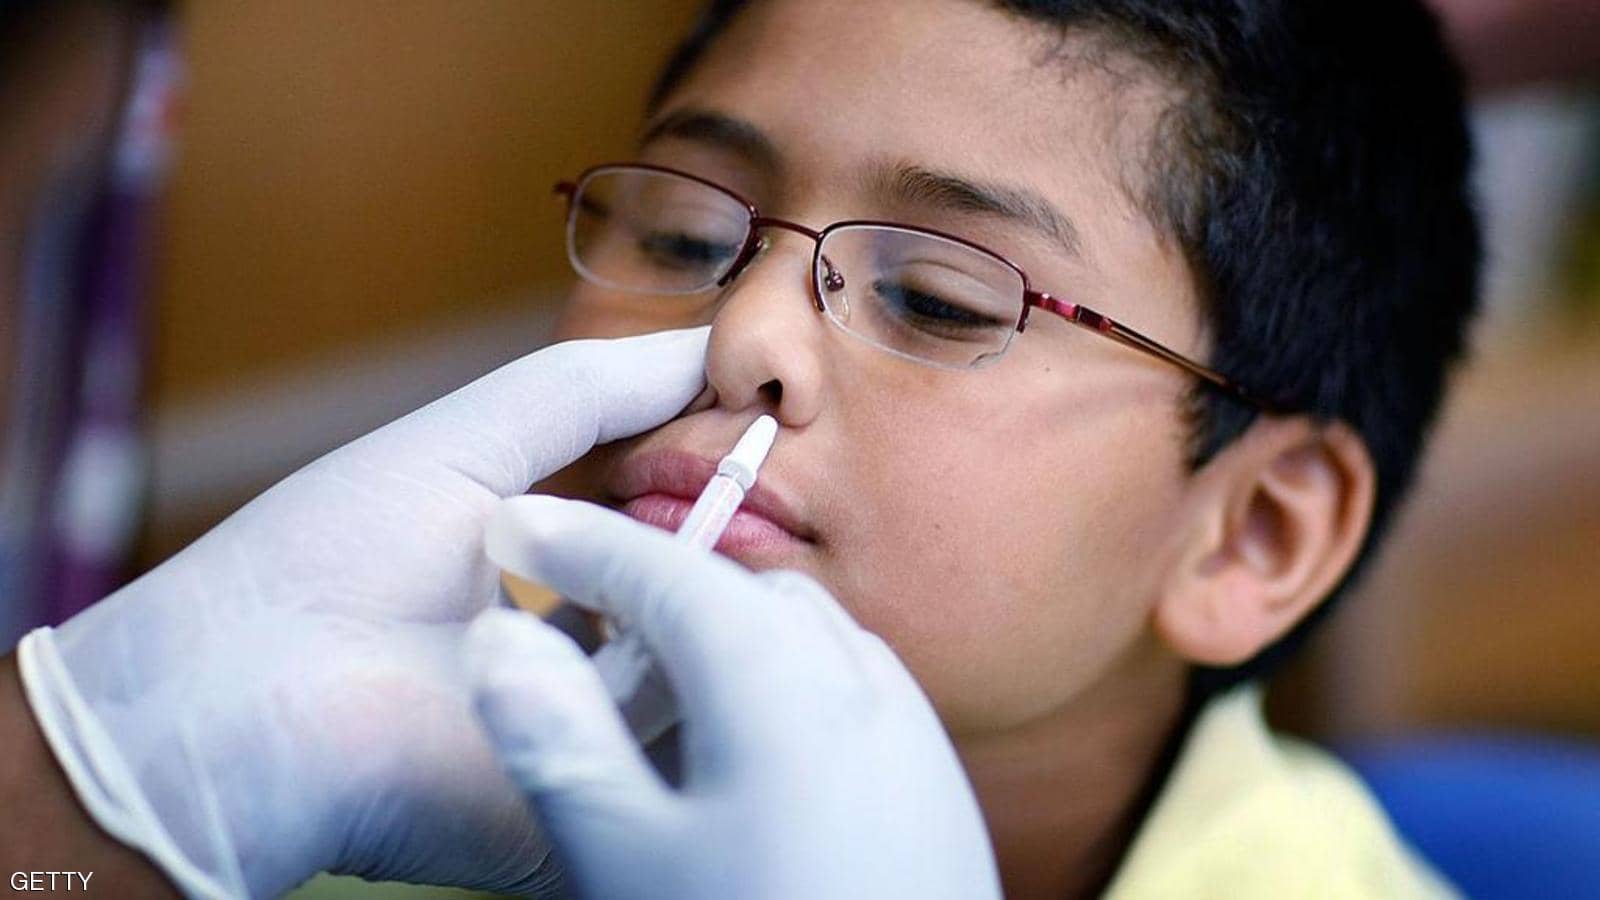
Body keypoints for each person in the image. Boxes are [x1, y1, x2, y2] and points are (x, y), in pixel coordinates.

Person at [3, 2, 1486, 899]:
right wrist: (108, 779)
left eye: (940, 297)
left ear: (1252, 535)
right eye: (683, 233)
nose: (744, 335)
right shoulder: (418, 771)